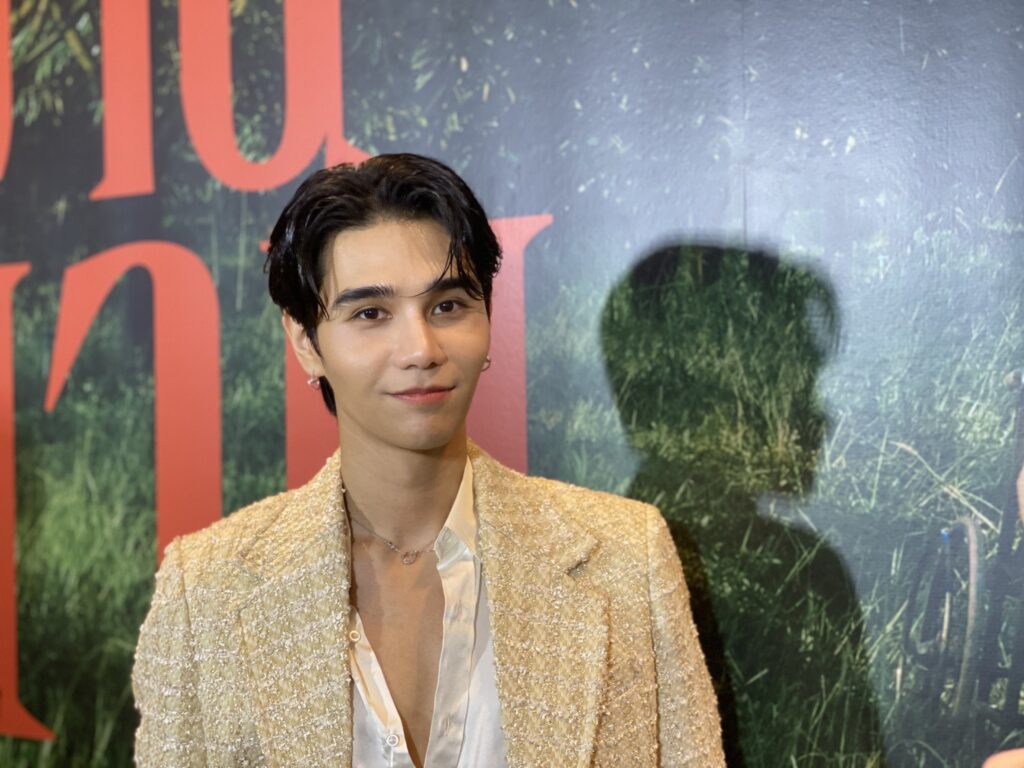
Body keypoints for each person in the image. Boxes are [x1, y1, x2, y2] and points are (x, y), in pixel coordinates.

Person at [131, 153, 725, 767]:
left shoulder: (627, 557)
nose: (420, 349)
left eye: (447, 306)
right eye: (370, 314)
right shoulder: (205, 587)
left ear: (488, 317)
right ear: (306, 341)